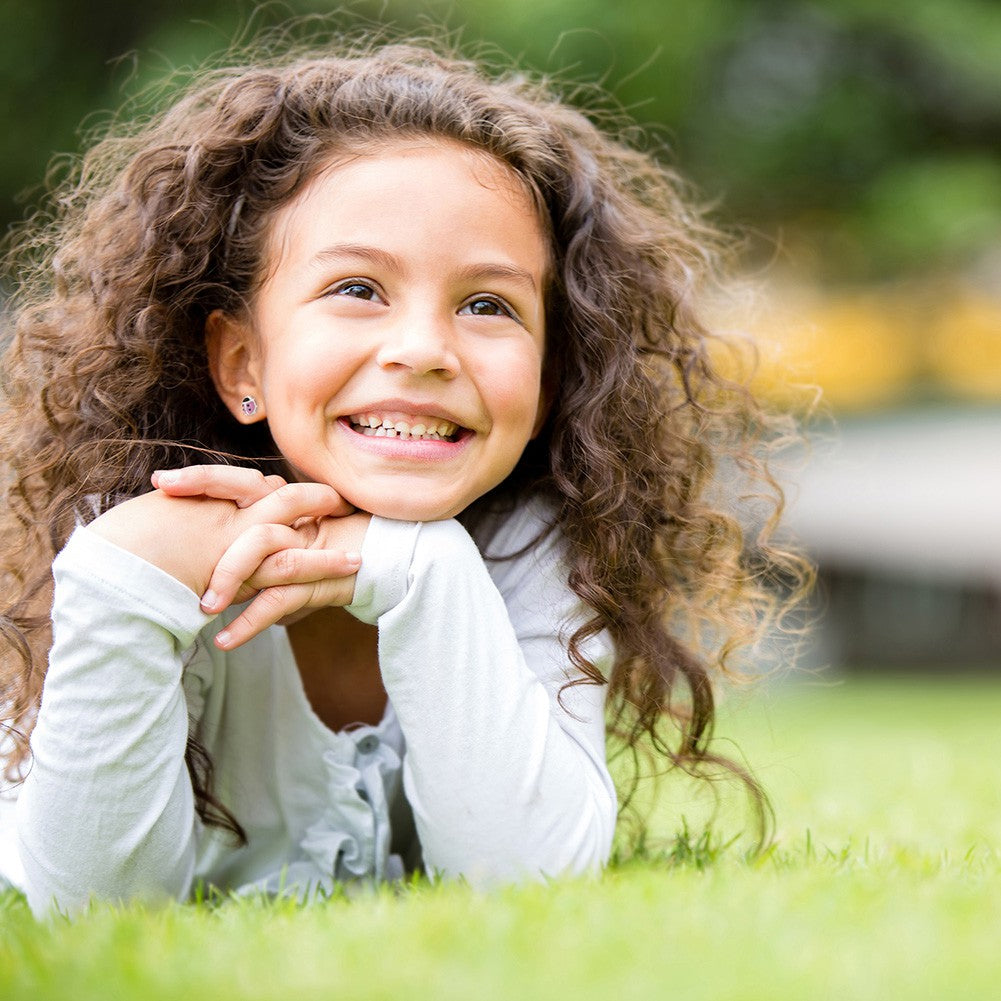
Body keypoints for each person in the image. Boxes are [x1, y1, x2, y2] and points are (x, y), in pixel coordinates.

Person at [0, 33, 806, 914]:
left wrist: (423, 571)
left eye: (487, 305)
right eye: (356, 289)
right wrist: (124, 582)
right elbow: (89, 913)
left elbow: (527, 883)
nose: (424, 349)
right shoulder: (141, 552)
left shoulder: (535, 542)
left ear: (547, 379)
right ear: (241, 364)